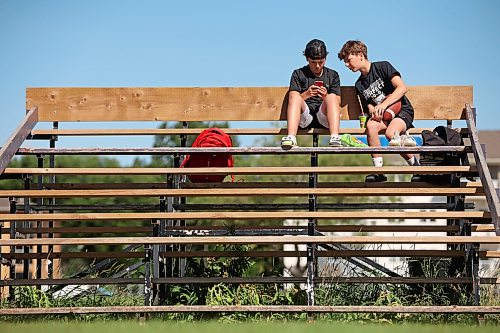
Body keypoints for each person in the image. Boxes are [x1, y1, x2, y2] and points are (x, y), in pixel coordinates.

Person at [337, 40, 419, 182]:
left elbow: (402, 88)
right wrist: (373, 111)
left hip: (401, 111)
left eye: (348, 60)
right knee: (371, 126)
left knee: (390, 133)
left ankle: (416, 167)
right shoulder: (359, 84)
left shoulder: (383, 66)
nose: (346, 64)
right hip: (384, 117)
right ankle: (378, 171)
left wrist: (384, 104)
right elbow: (369, 105)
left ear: (360, 55)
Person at [281, 39, 342, 149]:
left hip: (325, 118)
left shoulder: (333, 75)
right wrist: (306, 94)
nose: (318, 66)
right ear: (307, 59)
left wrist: (325, 97)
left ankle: (334, 137)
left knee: (332, 97)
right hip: (305, 117)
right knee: (295, 96)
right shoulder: (298, 74)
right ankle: (291, 137)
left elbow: (337, 102)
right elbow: (292, 99)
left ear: (325, 59)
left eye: (321, 62)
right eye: (313, 62)